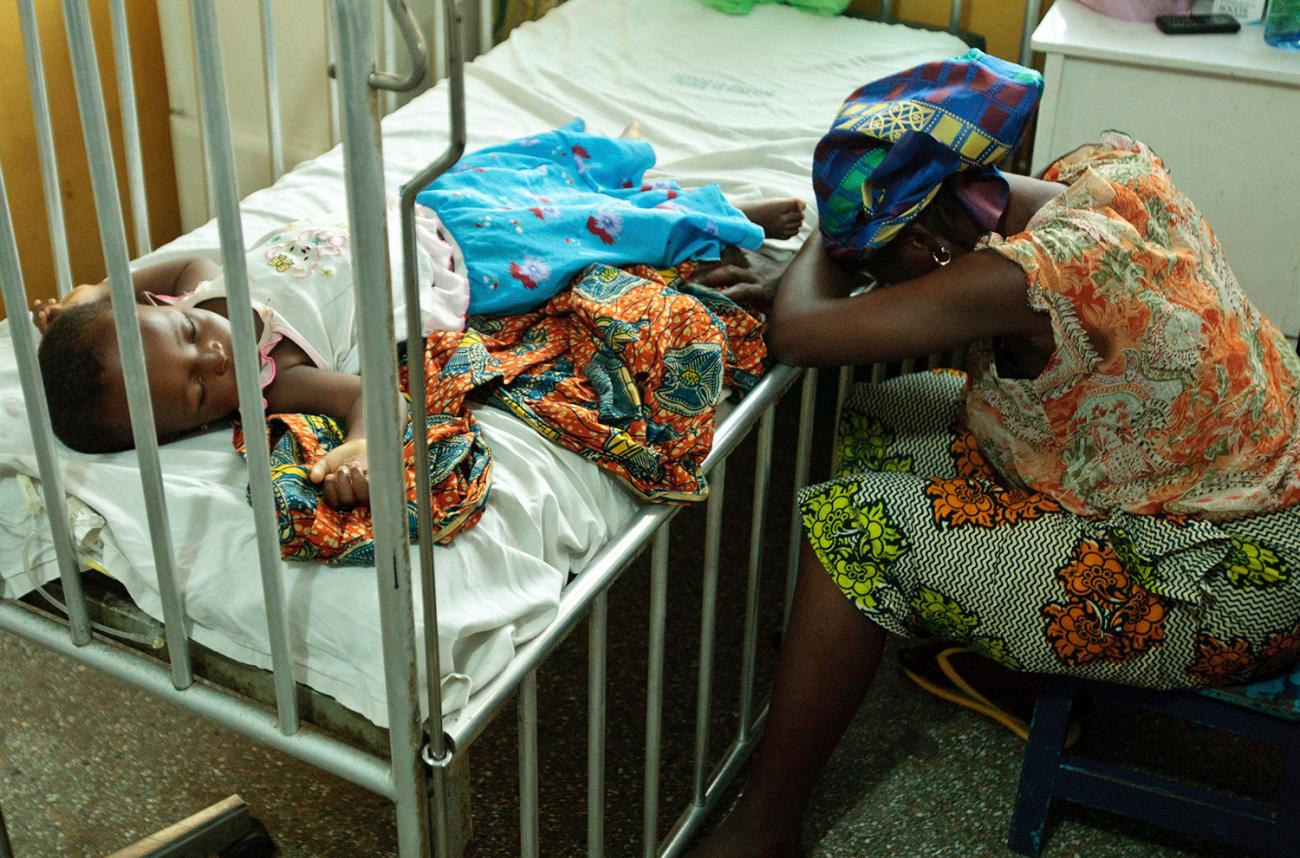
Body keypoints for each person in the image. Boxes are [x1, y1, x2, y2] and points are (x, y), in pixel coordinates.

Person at [683, 49, 1300, 858]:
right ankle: (927, 643)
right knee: (883, 410)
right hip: (1212, 474)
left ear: (936, 237)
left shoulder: (1024, 274)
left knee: (853, 532)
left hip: (1233, 572)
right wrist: (869, 239)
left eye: (878, 260)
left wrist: (826, 240)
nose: (871, 278)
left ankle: (765, 831)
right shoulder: (1102, 169)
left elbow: (800, 332)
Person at [33, 120, 804, 510]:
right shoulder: (282, 377)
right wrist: (355, 452)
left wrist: (95, 292)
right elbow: (374, 397)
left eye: (190, 337)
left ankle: (629, 162)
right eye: (200, 391)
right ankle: (721, 216)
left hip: (424, 209)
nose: (217, 357)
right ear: (190, 426)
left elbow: (155, 271)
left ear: (163, 309)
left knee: (527, 165)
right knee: (591, 236)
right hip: (472, 269)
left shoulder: (203, 278)